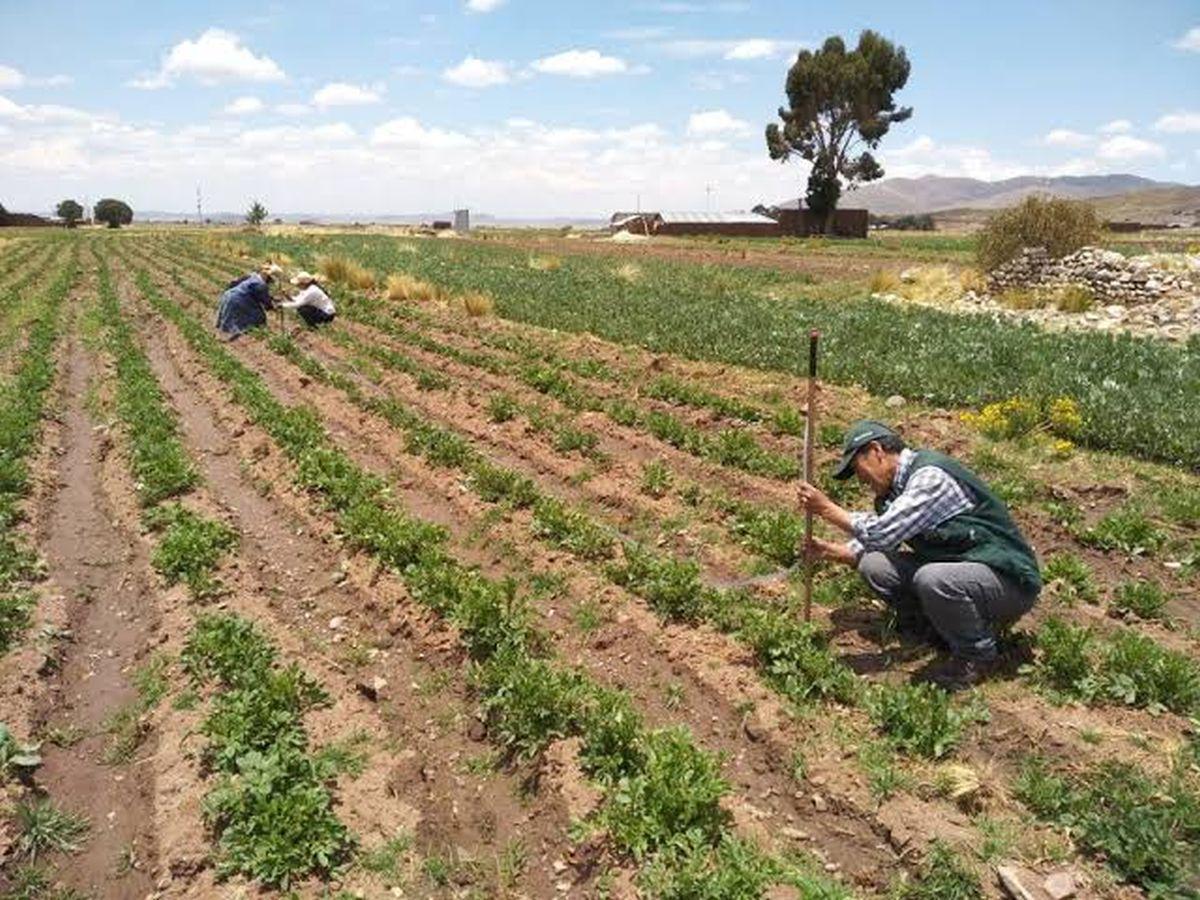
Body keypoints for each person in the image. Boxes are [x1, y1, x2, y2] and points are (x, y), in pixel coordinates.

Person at [799, 420, 1041, 690]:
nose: (862, 479)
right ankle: (937, 630)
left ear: (876, 450)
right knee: (874, 565)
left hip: (1008, 582)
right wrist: (834, 551)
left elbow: (882, 533)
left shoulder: (930, 477)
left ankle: (978, 656)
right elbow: (879, 540)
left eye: (858, 469)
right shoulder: (893, 494)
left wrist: (827, 510)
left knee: (933, 578)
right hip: (962, 574)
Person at [215, 262, 281, 340]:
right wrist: (275, 307)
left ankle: (221, 336)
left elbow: (234, 283)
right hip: (237, 300)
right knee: (259, 316)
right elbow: (266, 302)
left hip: (229, 295)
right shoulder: (261, 285)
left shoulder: (252, 275)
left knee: (229, 318)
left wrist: (272, 299)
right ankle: (255, 335)